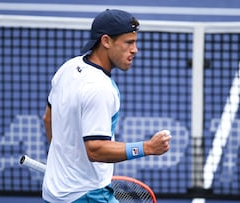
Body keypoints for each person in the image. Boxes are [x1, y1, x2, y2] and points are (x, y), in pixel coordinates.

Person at [42, 9, 171, 203]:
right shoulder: (101, 89)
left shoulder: (68, 68)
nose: (135, 49)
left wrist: (66, 161)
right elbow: (96, 150)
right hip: (86, 196)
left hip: (54, 192)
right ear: (106, 41)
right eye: (128, 42)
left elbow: (48, 119)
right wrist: (147, 147)